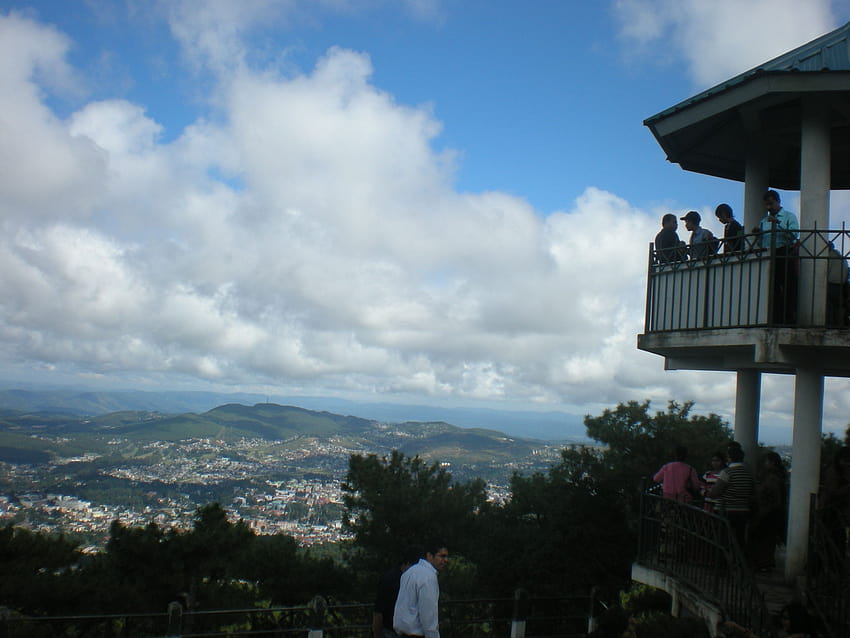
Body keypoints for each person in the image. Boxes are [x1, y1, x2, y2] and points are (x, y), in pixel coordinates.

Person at [755, 190, 799, 324]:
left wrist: (777, 223)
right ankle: (775, 317)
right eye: (767, 204)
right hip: (769, 254)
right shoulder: (763, 221)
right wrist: (758, 235)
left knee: (787, 287)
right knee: (771, 288)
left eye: (771, 203)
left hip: (784, 252)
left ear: (778, 201)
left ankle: (789, 319)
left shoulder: (788, 216)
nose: (769, 207)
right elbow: (761, 242)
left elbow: (794, 234)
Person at [394, 541, 449, 638]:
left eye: (446, 557)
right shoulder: (428, 577)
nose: (446, 560)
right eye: (442, 556)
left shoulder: (410, 572)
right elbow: (428, 616)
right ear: (429, 556)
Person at [711, 443, 755, 552]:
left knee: (723, 539)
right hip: (743, 510)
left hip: (726, 510)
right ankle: (739, 562)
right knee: (740, 538)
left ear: (729, 458)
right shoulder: (748, 473)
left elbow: (715, 492)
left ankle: (723, 563)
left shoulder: (727, 472)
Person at [748, 451, 787, 571]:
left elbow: (773, 497)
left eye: (767, 461)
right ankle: (765, 563)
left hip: (768, 512)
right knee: (767, 539)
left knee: (764, 538)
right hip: (771, 511)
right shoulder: (778, 477)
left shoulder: (772, 478)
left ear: (772, 463)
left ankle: (763, 563)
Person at [373, 546, 420, 638]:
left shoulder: (413, 580)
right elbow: (379, 612)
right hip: (391, 631)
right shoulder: (389, 580)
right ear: (408, 564)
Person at [819, 446, 850, 555]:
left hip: (838, 512)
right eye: (846, 461)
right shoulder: (834, 472)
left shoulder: (841, 471)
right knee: (831, 541)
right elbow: (833, 492)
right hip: (830, 511)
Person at [826, 241, 849, 327]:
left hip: (831, 284)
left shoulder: (829, 257)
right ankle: (839, 325)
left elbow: (825, 271)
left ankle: (830, 324)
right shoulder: (843, 258)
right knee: (838, 307)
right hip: (841, 286)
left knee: (828, 305)